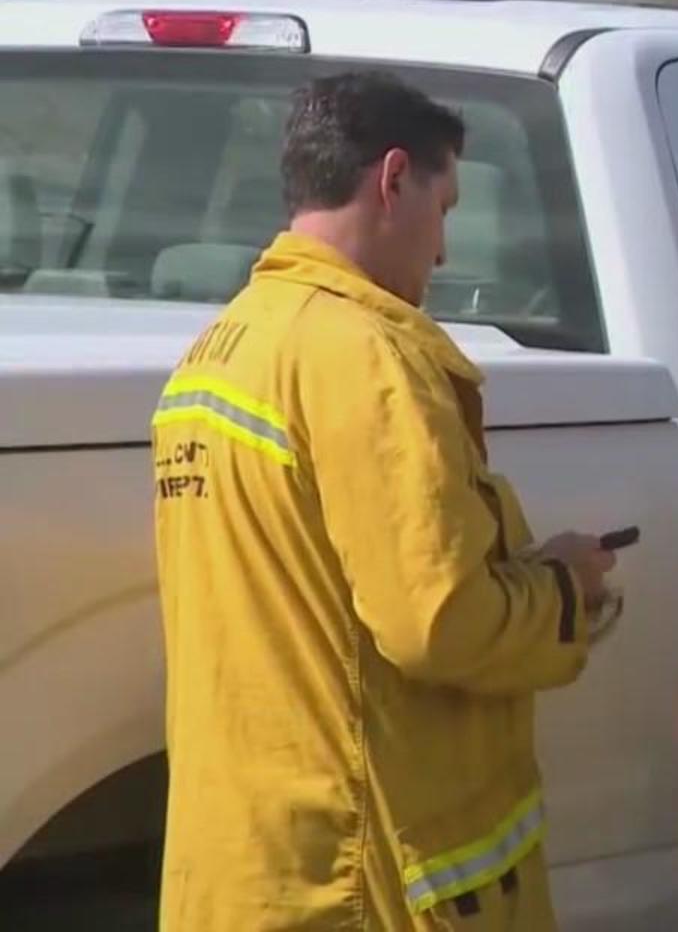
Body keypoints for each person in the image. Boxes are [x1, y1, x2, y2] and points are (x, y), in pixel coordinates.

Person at [151, 72, 620, 932]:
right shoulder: (368, 358)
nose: (443, 252)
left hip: (246, 869)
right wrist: (564, 590)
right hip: (366, 879)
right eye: (446, 208)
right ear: (393, 177)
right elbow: (436, 623)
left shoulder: (219, 350)